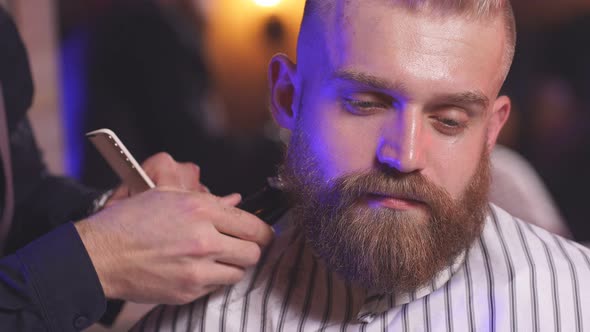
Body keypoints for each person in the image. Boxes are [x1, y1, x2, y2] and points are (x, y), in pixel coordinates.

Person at [133, 0, 590, 331]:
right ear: (287, 97)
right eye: (365, 104)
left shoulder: (577, 301)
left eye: (449, 120)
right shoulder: (197, 319)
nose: (405, 156)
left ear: (491, 131)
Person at [0, 7, 273, 331]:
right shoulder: (144, 28)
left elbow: (21, 194)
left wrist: (106, 211)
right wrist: (96, 259)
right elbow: (194, 146)